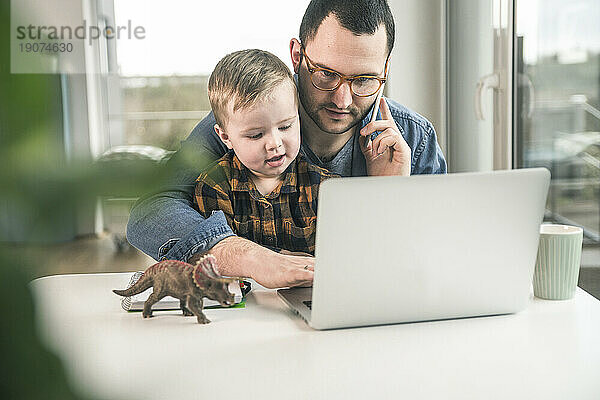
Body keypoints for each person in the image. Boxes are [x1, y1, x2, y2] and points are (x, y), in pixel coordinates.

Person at [127, 0, 447, 289]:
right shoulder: (247, 120)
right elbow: (149, 212)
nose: (342, 99)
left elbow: (435, 258)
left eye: (363, 80)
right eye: (326, 74)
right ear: (297, 56)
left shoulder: (412, 139)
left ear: (385, 70)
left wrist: (389, 198)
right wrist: (250, 257)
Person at [195, 49, 337, 267]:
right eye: (256, 135)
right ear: (225, 137)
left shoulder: (326, 187)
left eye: (286, 126)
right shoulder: (214, 186)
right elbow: (214, 259)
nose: (275, 143)